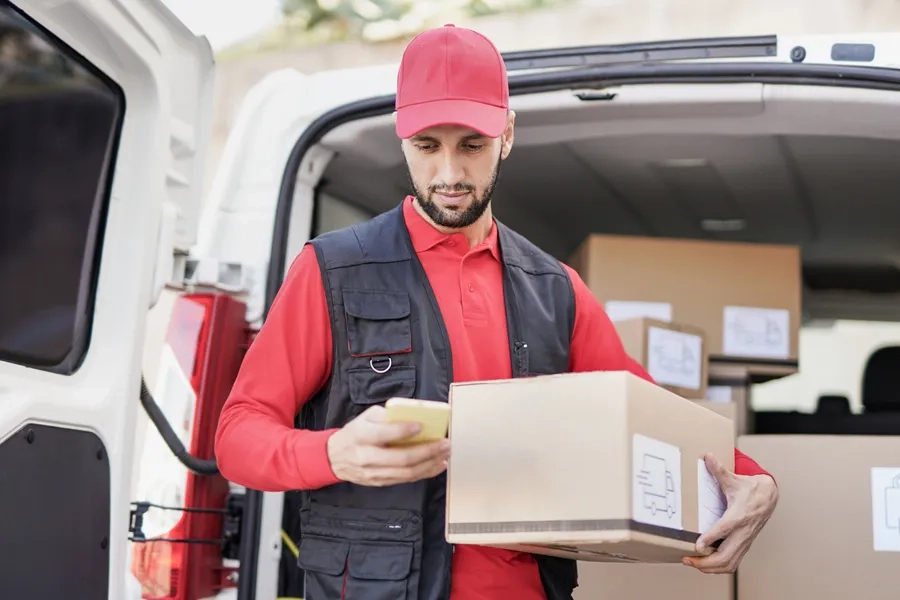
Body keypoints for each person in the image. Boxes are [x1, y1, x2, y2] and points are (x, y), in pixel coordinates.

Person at [214, 23, 779, 600]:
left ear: (507, 134)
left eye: (472, 145)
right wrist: (333, 452)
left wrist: (754, 479)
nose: (451, 175)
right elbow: (237, 437)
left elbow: (649, 418)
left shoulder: (556, 290)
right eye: (428, 147)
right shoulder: (331, 271)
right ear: (401, 136)